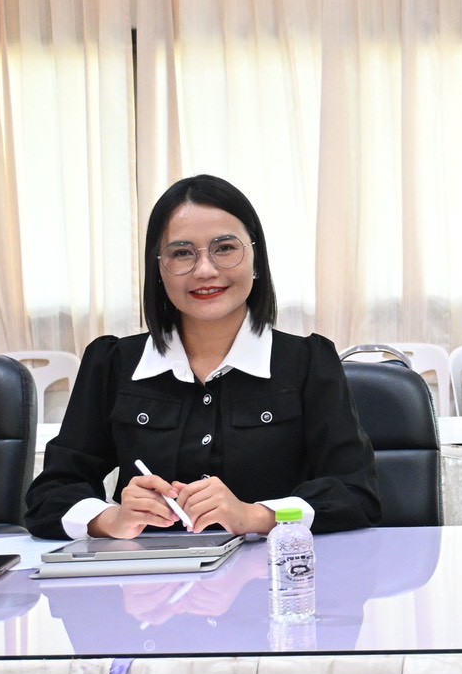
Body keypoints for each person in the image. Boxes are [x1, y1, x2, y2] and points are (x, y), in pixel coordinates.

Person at [25, 175, 381, 540]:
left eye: (224, 248)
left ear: (255, 259)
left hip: (276, 570)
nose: (205, 270)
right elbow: (48, 497)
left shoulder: (308, 362)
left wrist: (256, 516)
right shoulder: (113, 363)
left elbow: (355, 494)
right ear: (158, 269)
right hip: (149, 575)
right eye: (181, 253)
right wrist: (110, 519)